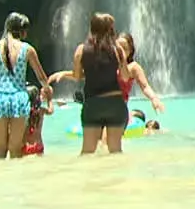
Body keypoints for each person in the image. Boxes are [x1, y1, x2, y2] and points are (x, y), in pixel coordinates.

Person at [49, 13, 132, 154]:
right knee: (116, 151)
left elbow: (77, 76)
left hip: (93, 104)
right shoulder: (117, 50)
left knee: (87, 152)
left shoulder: (81, 49)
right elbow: (125, 77)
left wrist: (65, 73)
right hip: (115, 103)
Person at [0, 13, 52, 159]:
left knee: (0, 148)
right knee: (15, 148)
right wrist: (48, 89)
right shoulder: (27, 49)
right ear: (23, 31)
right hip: (19, 99)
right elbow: (41, 76)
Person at [22, 86, 54, 156]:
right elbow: (51, 111)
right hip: (38, 145)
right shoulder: (41, 110)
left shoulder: (23, 112)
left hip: (26, 145)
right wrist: (49, 98)